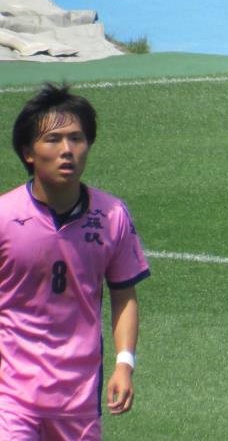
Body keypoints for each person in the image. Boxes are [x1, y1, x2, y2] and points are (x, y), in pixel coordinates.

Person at [0, 83, 151, 440]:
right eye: (53, 140)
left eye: (76, 138)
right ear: (28, 153)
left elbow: (124, 296)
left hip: (78, 399)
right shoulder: (5, 216)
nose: (67, 150)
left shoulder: (111, 215)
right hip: (11, 396)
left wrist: (124, 364)